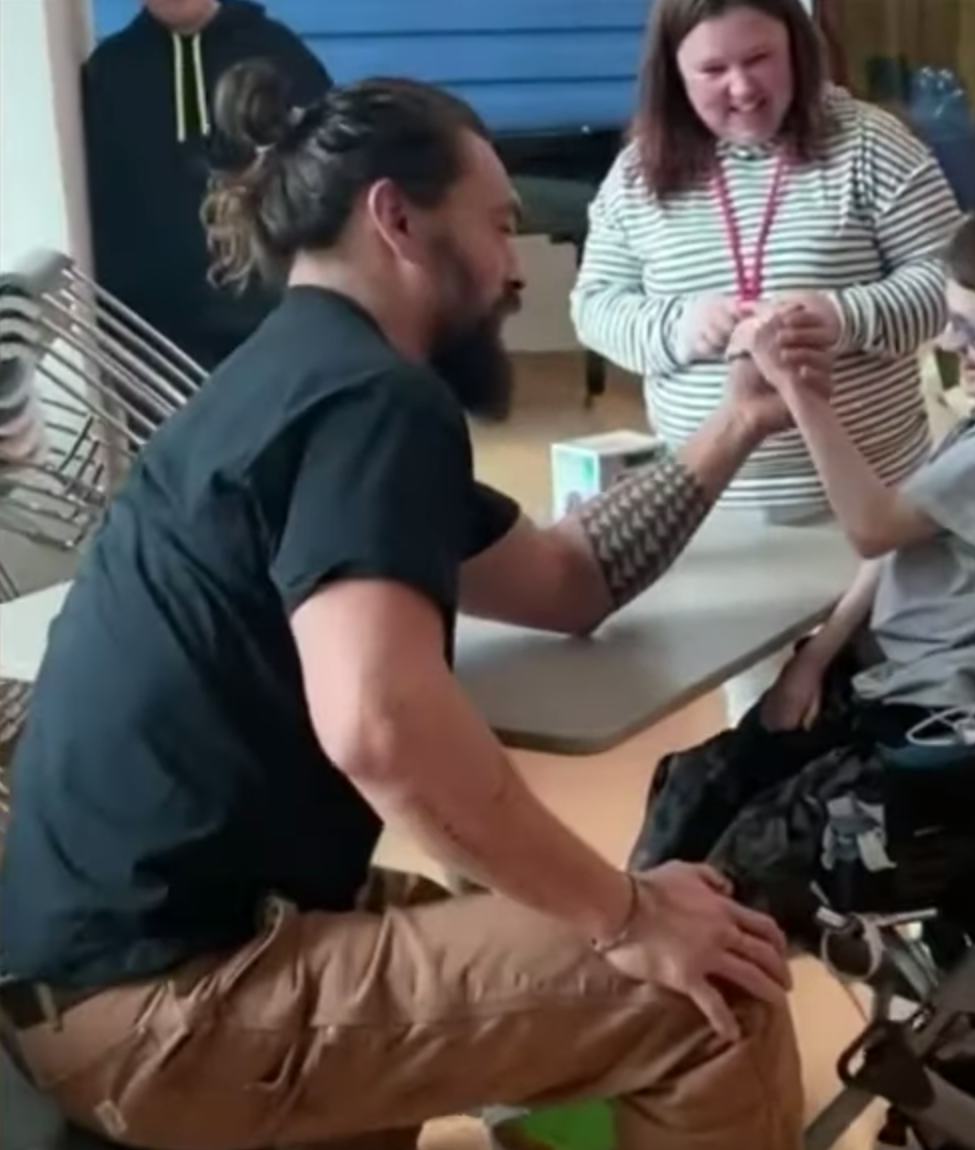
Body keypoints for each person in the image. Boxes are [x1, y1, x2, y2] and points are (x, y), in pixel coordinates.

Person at [0, 67, 837, 1150]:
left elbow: (563, 578)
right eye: (496, 226)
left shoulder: (285, 380)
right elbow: (380, 725)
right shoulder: (372, 403)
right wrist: (626, 915)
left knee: (572, 921)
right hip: (170, 1002)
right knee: (709, 994)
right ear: (395, 216)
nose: (513, 270)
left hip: (112, 962)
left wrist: (735, 422)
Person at [629, 197, 975, 934]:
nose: (954, 344)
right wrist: (813, 658)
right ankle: (622, 955)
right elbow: (900, 537)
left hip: (953, 710)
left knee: (741, 870)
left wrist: (797, 390)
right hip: (891, 674)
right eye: (951, 320)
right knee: (695, 785)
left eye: (974, 331)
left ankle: (666, 978)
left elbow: (871, 525)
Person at [571, 0, 962, 718]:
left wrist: (843, 316)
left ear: (799, 51)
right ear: (673, 76)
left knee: (891, 704)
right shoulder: (638, 173)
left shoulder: (874, 145)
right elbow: (594, 305)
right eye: (713, 70)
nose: (743, 89)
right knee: (762, 725)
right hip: (722, 519)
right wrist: (679, 327)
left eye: (760, 61)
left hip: (873, 514)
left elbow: (951, 286)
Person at [82, 0, 330, 371]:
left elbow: (324, 176)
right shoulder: (110, 71)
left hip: (269, 324)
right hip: (153, 339)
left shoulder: (278, 55)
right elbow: (100, 202)